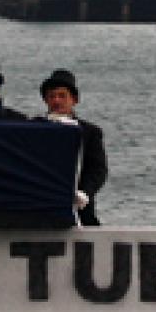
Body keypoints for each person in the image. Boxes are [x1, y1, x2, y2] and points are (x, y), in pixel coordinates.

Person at [35, 69, 108, 227]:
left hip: (79, 209)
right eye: (52, 96)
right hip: (41, 208)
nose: (56, 101)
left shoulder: (90, 132)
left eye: (62, 96)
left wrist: (84, 193)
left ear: (74, 99)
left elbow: (98, 170)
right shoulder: (34, 127)